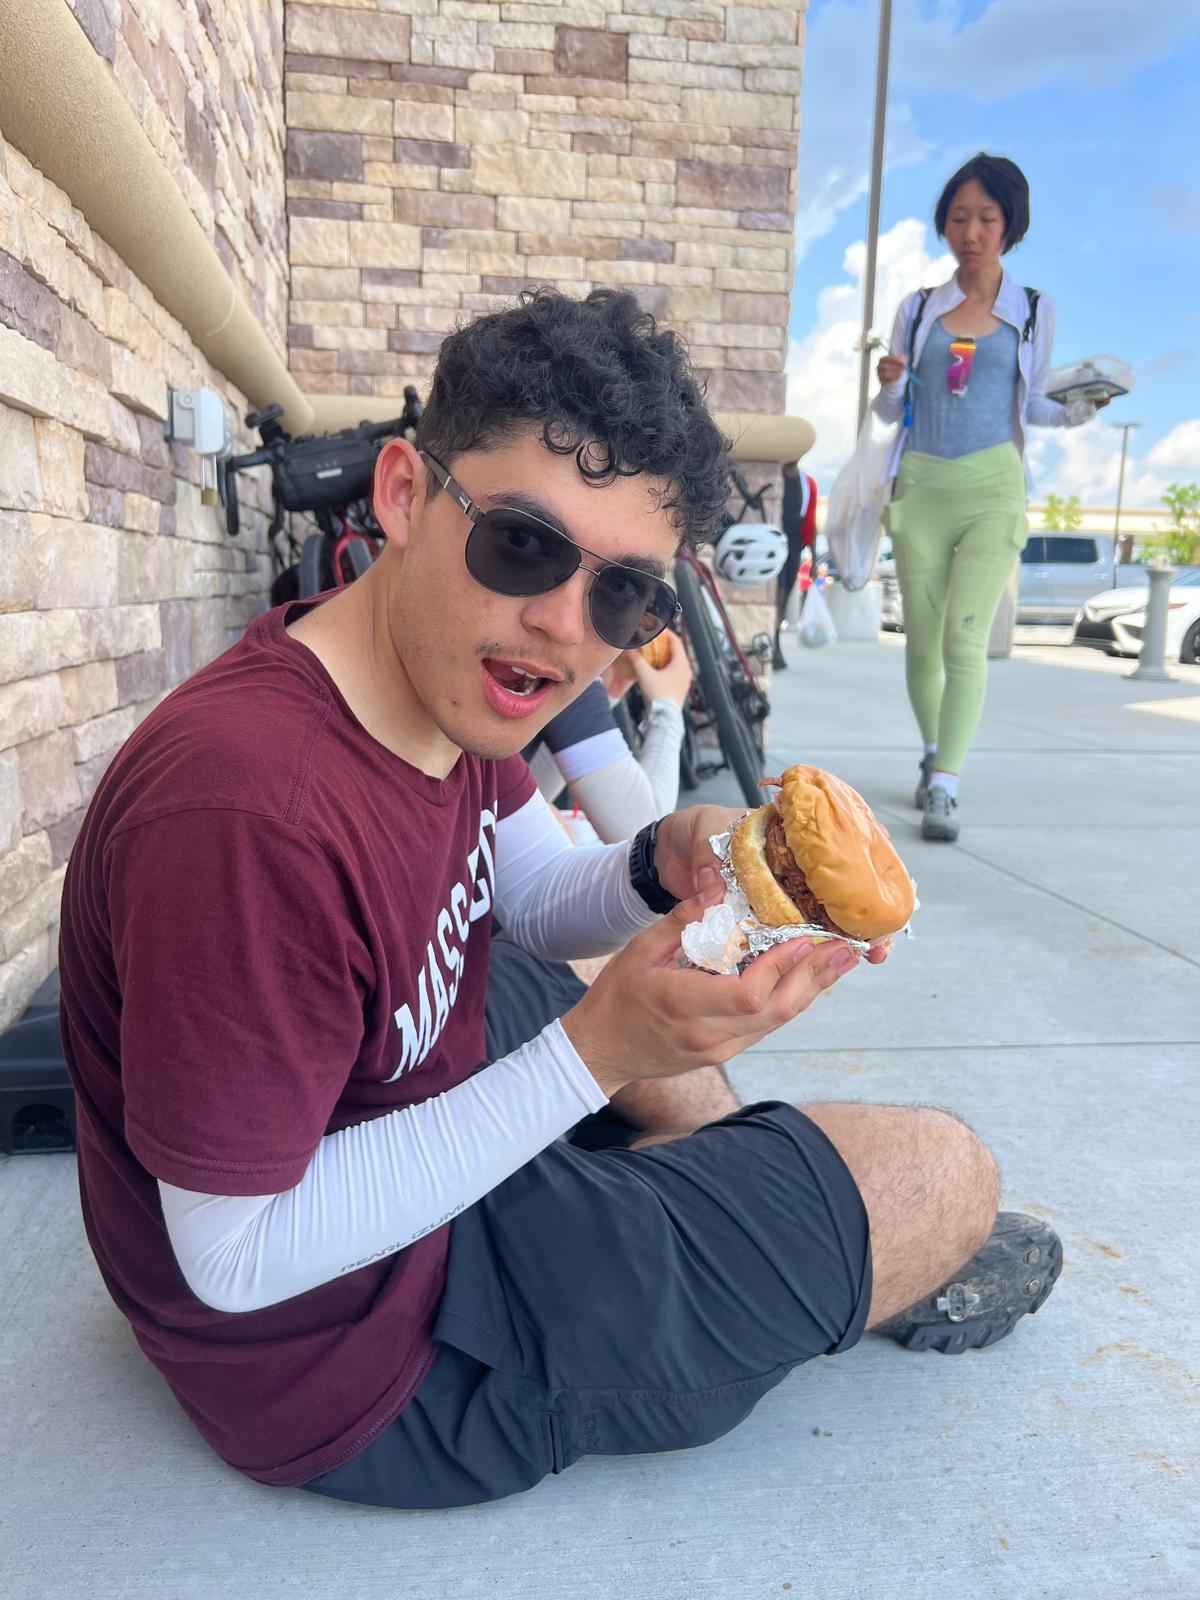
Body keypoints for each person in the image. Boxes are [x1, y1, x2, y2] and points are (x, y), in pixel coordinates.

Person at [59, 287, 1057, 1511]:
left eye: (623, 594)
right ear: (403, 495)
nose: (562, 626)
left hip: (408, 1123)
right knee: (946, 1173)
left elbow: (526, 891)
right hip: (356, 1357)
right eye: (522, 545)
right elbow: (234, 1257)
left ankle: (712, 1214)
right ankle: (746, 1245)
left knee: (576, 987)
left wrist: (665, 858)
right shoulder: (252, 810)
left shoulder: (423, 672)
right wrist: (596, 1058)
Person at [875, 152, 1108, 843]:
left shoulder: (1033, 309)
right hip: (920, 485)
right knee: (922, 644)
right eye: (958, 218)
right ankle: (932, 753)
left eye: (986, 218)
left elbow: (1033, 404)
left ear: (1011, 225)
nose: (970, 233)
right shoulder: (918, 309)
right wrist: (890, 381)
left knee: (964, 639)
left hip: (993, 488)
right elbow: (889, 412)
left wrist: (1080, 409)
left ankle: (946, 785)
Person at [523, 630, 693, 845]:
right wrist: (667, 708)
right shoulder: (567, 661)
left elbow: (523, 791)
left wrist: (611, 690)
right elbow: (646, 833)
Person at [772, 461, 818, 670]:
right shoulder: (775, 476)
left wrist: (814, 559)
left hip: (793, 546)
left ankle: (775, 641)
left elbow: (810, 521)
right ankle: (773, 644)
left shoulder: (807, 483)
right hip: (774, 543)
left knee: (783, 598)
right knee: (777, 595)